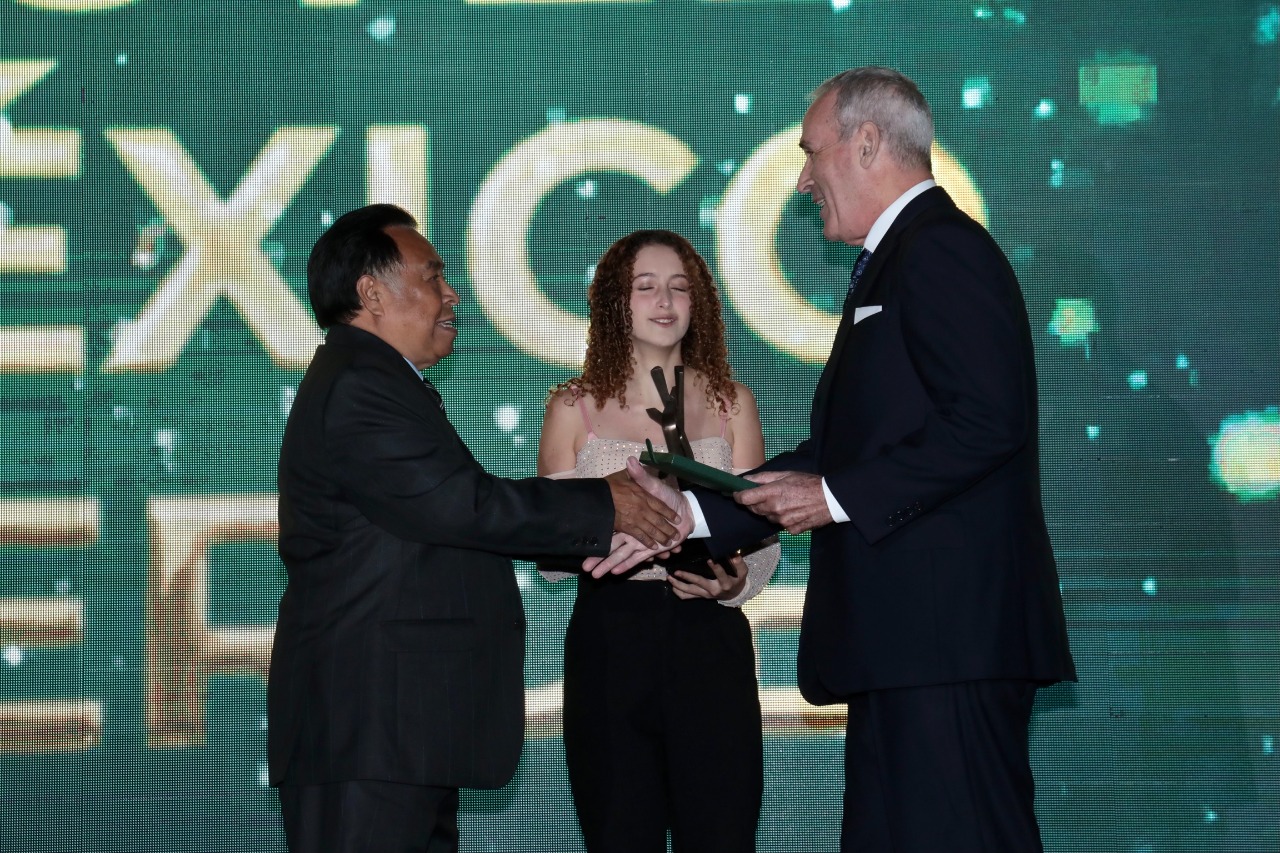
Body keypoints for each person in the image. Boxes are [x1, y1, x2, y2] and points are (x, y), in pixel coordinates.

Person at [594, 67, 1077, 853]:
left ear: (867, 143)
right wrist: (689, 515)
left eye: (810, 152)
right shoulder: (898, 260)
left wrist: (837, 496)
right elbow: (837, 455)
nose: (801, 181)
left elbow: (989, 422)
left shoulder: (940, 248)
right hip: (909, 648)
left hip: (945, 646)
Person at [267, 204, 686, 853]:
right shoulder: (358, 385)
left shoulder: (379, 381)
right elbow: (458, 504)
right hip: (370, 731)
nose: (451, 293)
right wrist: (605, 505)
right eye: (432, 276)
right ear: (371, 293)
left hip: (400, 733)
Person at [537, 229, 779, 853]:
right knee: (619, 832)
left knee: (721, 833)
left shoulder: (732, 403)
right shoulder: (572, 406)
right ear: (615, 303)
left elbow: (764, 533)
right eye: (645, 287)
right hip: (610, 639)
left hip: (709, 639)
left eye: (679, 287)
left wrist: (735, 582)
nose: (665, 302)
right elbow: (548, 550)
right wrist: (614, 520)